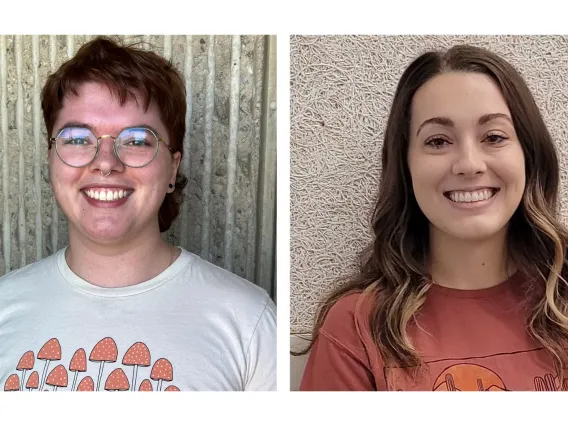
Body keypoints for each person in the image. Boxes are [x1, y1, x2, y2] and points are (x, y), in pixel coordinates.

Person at [0, 37, 276, 392]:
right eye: (77, 138)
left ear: (172, 169)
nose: (105, 163)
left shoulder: (250, 323)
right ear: (51, 158)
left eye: (136, 140)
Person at [298, 44, 568, 391]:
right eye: (438, 141)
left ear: (530, 156)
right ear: (406, 166)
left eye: (494, 137)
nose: (469, 164)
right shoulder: (356, 328)